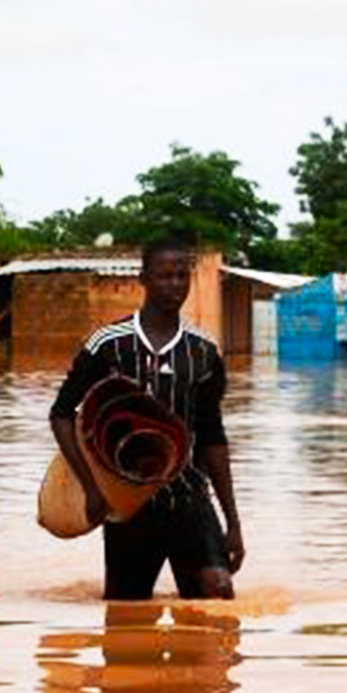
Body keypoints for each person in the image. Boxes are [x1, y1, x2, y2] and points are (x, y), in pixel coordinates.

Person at [49, 237, 244, 601]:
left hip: (189, 499)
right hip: (127, 506)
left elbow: (213, 436)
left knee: (218, 594)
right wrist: (91, 487)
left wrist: (233, 523)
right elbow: (61, 415)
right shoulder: (107, 344)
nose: (174, 285)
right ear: (143, 279)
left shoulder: (203, 351)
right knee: (125, 616)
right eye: (163, 276)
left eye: (181, 276)